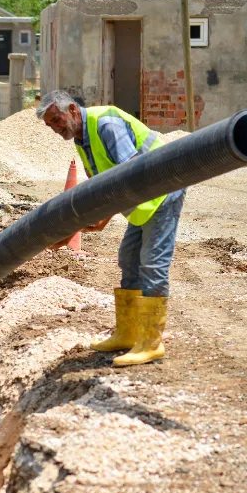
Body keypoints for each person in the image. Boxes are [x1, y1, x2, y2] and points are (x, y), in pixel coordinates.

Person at [37, 89, 186, 367]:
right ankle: (128, 334)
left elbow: (130, 173)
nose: (57, 128)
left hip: (162, 191)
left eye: (57, 120)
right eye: (50, 125)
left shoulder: (105, 124)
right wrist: (87, 224)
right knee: (128, 260)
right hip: (144, 199)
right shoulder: (83, 138)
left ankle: (151, 343)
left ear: (71, 109)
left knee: (153, 265)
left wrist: (95, 220)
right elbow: (102, 187)